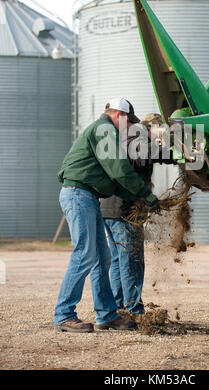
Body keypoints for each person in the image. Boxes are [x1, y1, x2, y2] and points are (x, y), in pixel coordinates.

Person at [54, 98, 159, 332]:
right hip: (79, 195)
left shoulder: (105, 132)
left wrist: (140, 198)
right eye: (129, 121)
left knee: (102, 258)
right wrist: (144, 193)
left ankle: (107, 315)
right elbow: (120, 170)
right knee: (84, 255)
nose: (130, 127)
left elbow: (115, 181)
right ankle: (63, 314)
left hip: (88, 196)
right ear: (119, 115)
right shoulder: (104, 129)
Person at [101, 112, 174, 317]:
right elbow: (145, 155)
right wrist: (176, 152)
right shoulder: (137, 135)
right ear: (152, 128)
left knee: (118, 260)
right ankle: (134, 310)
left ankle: (120, 307)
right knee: (132, 260)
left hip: (109, 209)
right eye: (160, 132)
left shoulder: (127, 136)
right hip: (126, 211)